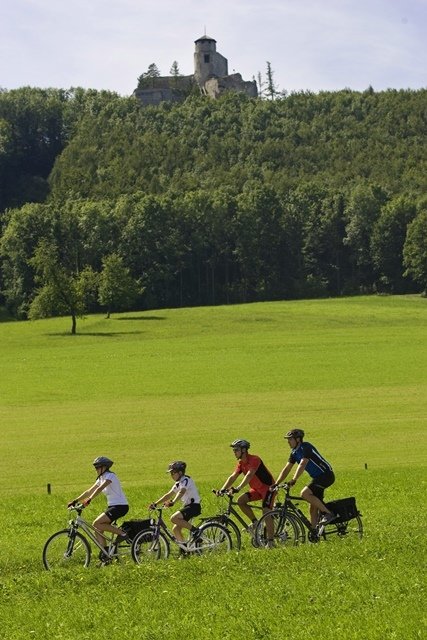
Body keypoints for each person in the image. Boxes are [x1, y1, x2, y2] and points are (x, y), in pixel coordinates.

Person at [68, 456, 129, 559]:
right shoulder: (101, 478)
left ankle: (123, 534)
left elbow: (101, 488)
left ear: (104, 467)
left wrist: (89, 499)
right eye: (95, 468)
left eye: (97, 467)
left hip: (120, 506)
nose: (96, 470)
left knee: (97, 523)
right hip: (112, 506)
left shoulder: (110, 476)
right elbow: (89, 491)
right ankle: (106, 555)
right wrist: (75, 501)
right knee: (97, 529)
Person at [217, 439, 275, 545]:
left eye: (236, 450)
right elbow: (233, 476)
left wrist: (238, 488)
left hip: (268, 488)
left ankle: (271, 542)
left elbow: (249, 475)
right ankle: (256, 523)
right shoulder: (241, 463)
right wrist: (222, 489)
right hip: (257, 489)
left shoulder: (254, 459)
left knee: (266, 512)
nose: (234, 452)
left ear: (244, 450)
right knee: (241, 501)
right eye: (234, 450)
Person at [274, 429, 335, 528]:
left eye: (290, 439)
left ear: (298, 439)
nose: (288, 442)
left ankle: (328, 513)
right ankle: (315, 533)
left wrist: (294, 479)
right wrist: (276, 483)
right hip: (317, 477)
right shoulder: (294, 452)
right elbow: (287, 468)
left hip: (326, 475)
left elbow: (303, 463)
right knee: (313, 507)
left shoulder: (306, 447)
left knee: (304, 493)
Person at [149, 461, 202, 547]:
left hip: (194, 506)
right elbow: (168, 495)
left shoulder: (186, 480)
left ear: (180, 473)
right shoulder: (178, 483)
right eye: (171, 473)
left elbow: (182, 491)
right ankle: (185, 549)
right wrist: (155, 503)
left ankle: (196, 531)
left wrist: (173, 502)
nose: (171, 475)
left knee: (173, 518)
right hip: (188, 507)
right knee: (176, 529)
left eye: (173, 473)